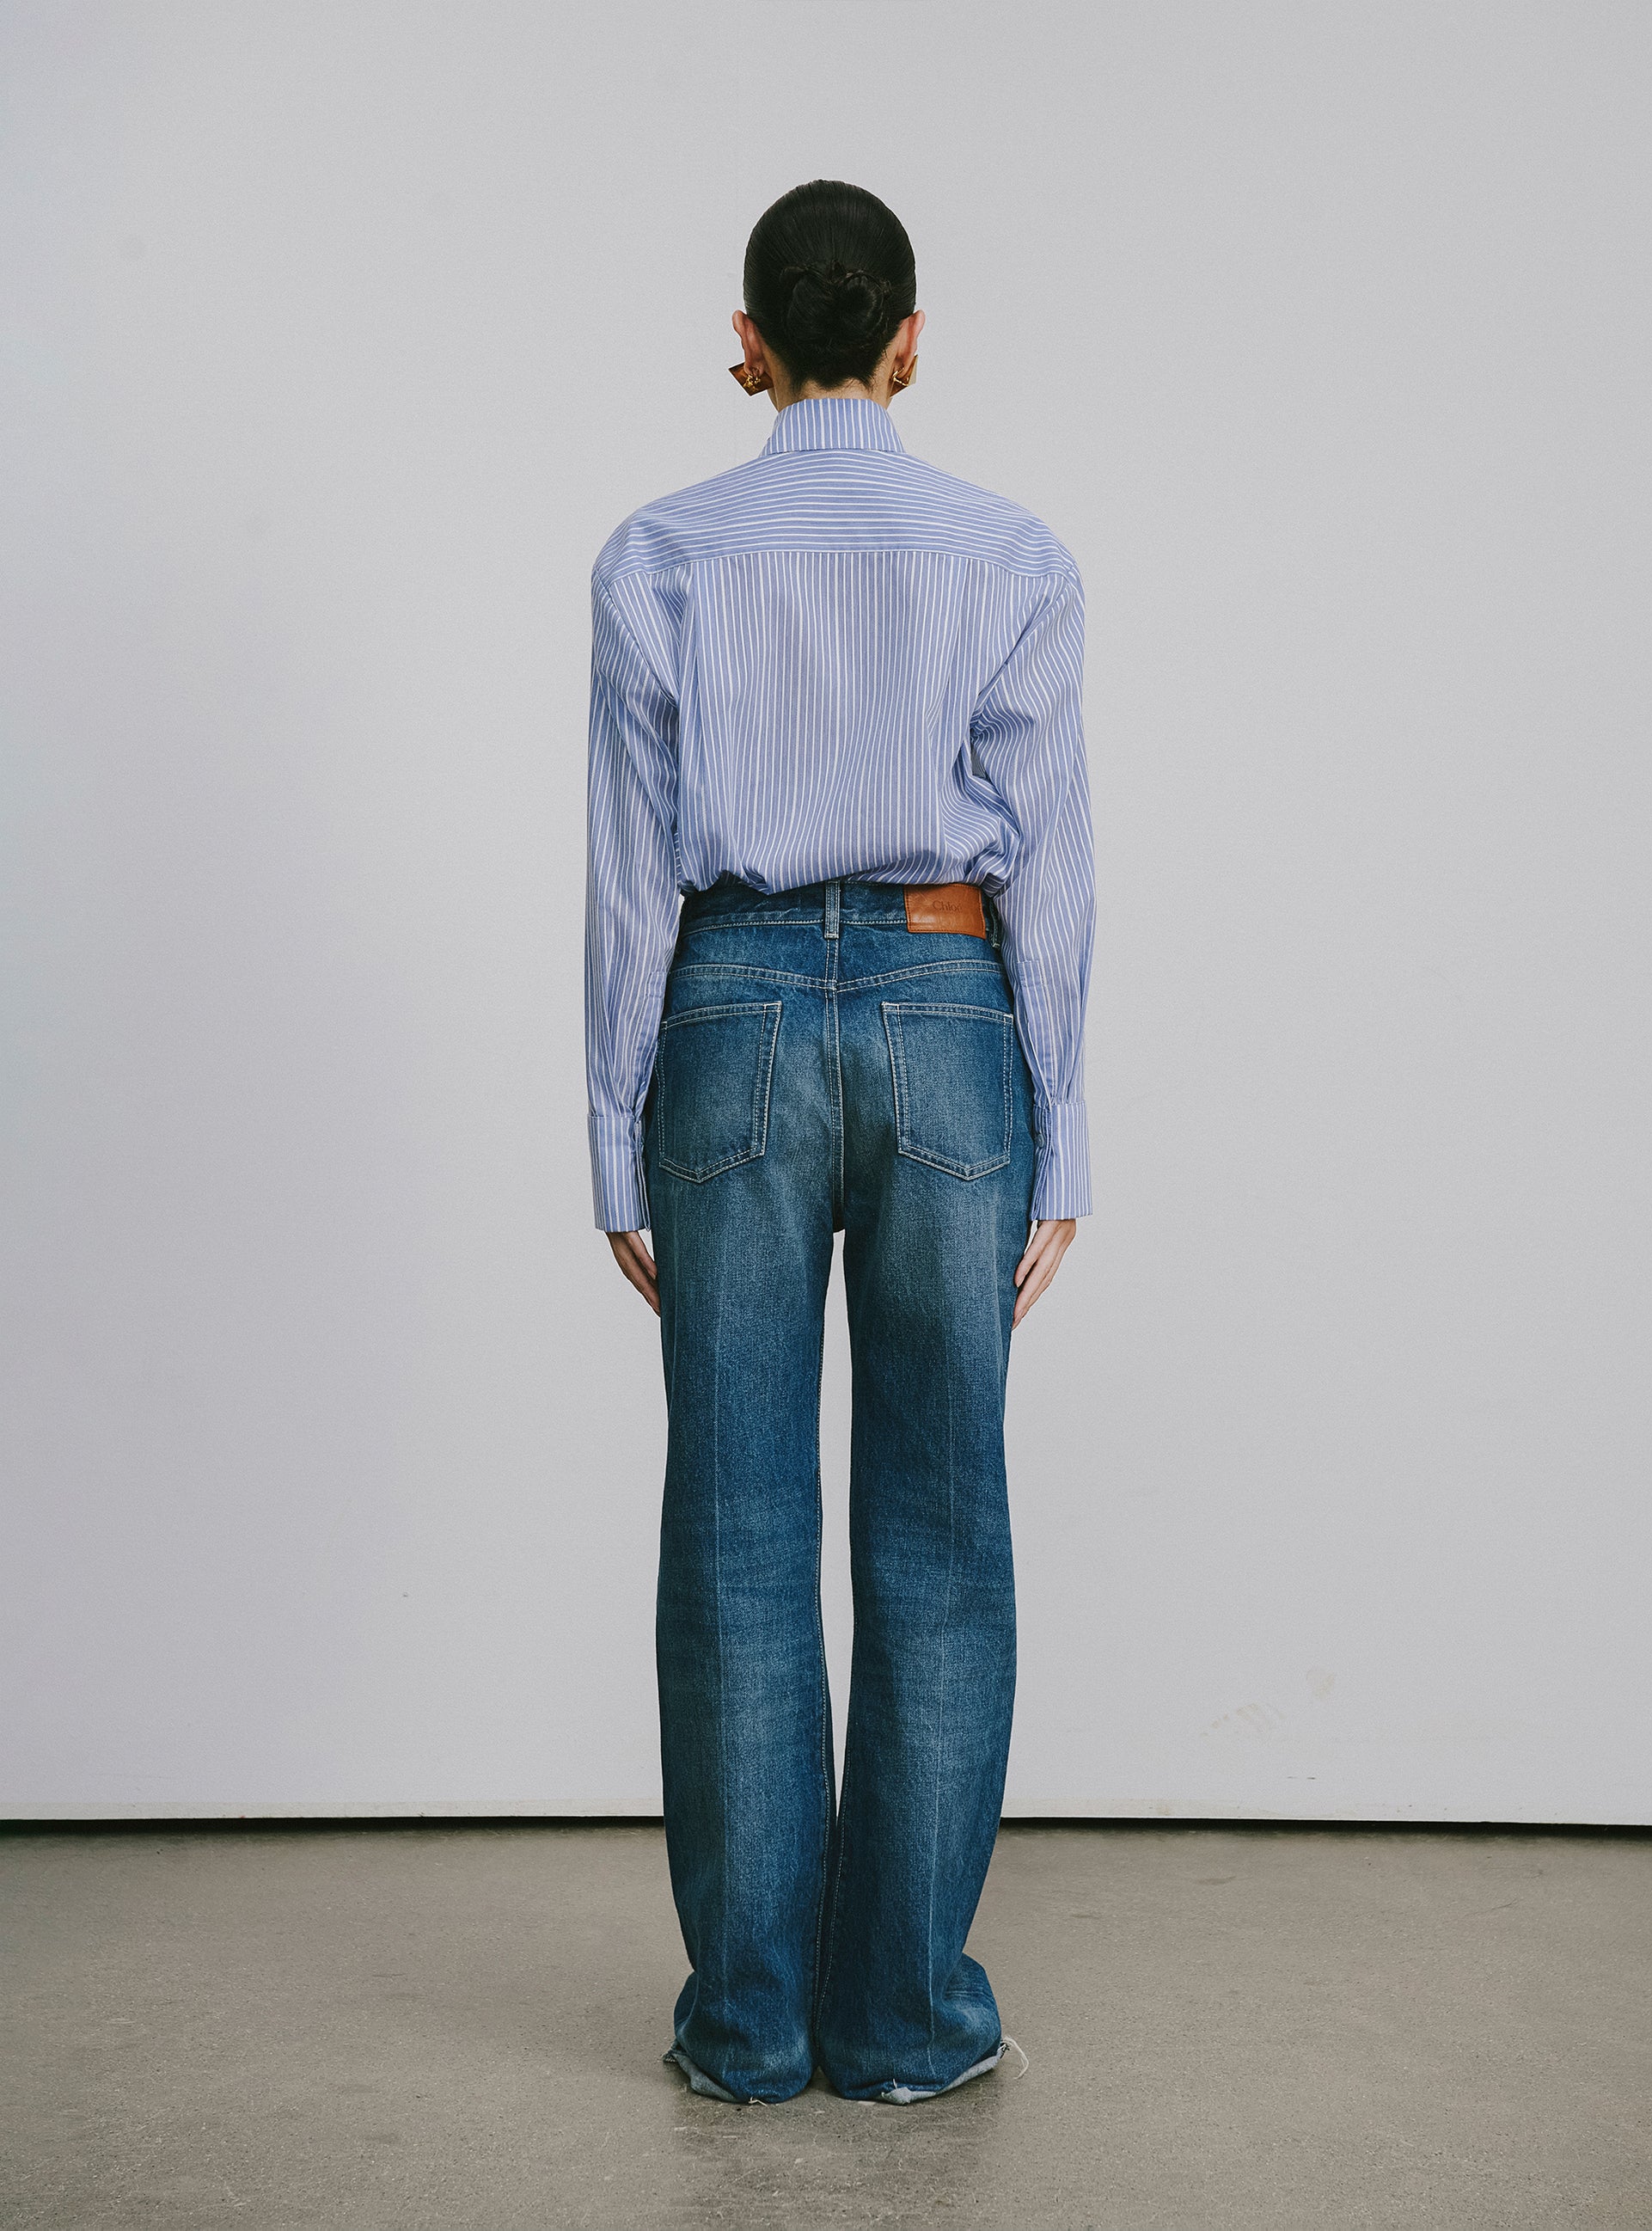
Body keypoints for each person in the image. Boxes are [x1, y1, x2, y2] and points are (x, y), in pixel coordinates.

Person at [584, 179, 1094, 2105]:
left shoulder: (659, 552)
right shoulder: (1009, 552)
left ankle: (746, 2023)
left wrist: (611, 1125)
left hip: (721, 1017)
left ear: (743, 346)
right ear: (906, 344)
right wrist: (1067, 1121)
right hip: (955, 1017)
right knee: (943, 1532)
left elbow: (630, 879)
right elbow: (1050, 866)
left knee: (731, 1530)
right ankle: (900, 2022)